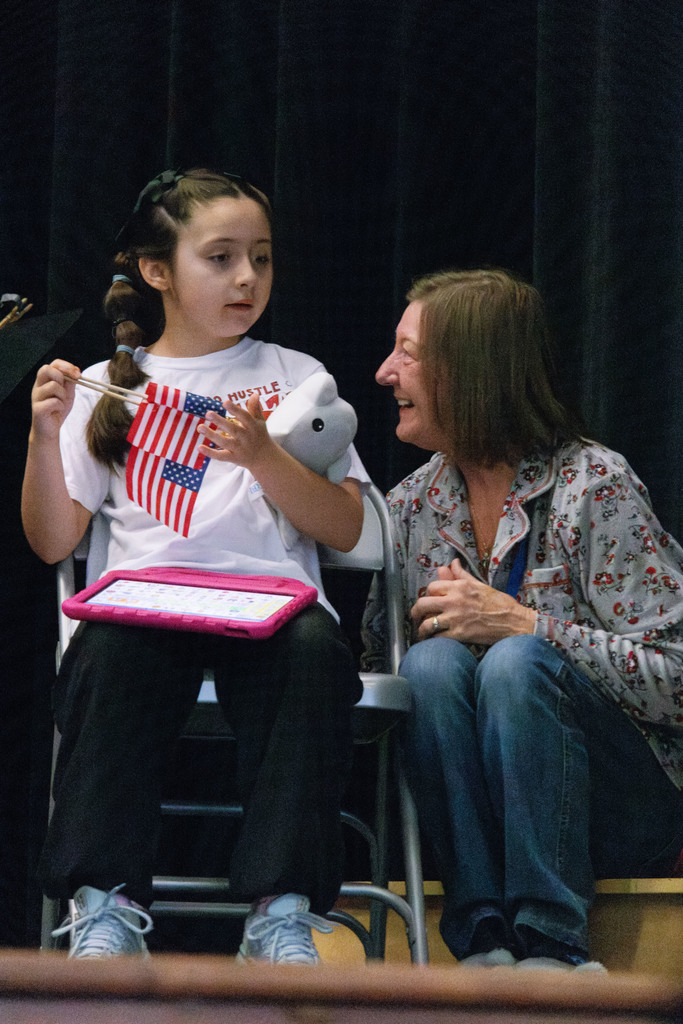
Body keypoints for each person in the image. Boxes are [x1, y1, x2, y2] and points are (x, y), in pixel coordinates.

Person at [22, 168, 368, 963]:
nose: (247, 278)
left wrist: (263, 459)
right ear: (155, 270)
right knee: (104, 653)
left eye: (262, 258)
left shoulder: (294, 372)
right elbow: (50, 542)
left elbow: (346, 528)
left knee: (316, 656)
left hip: (273, 610)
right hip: (144, 608)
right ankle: (103, 905)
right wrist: (45, 438)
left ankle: (281, 913)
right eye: (220, 258)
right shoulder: (109, 386)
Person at [363, 268, 683, 971]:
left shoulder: (592, 484)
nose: (385, 372)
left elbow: (677, 678)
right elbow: (376, 682)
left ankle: (551, 943)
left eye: (408, 353)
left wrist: (526, 627)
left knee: (514, 661)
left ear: (470, 370)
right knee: (428, 665)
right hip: (483, 823)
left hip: (622, 809)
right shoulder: (412, 505)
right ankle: (482, 940)